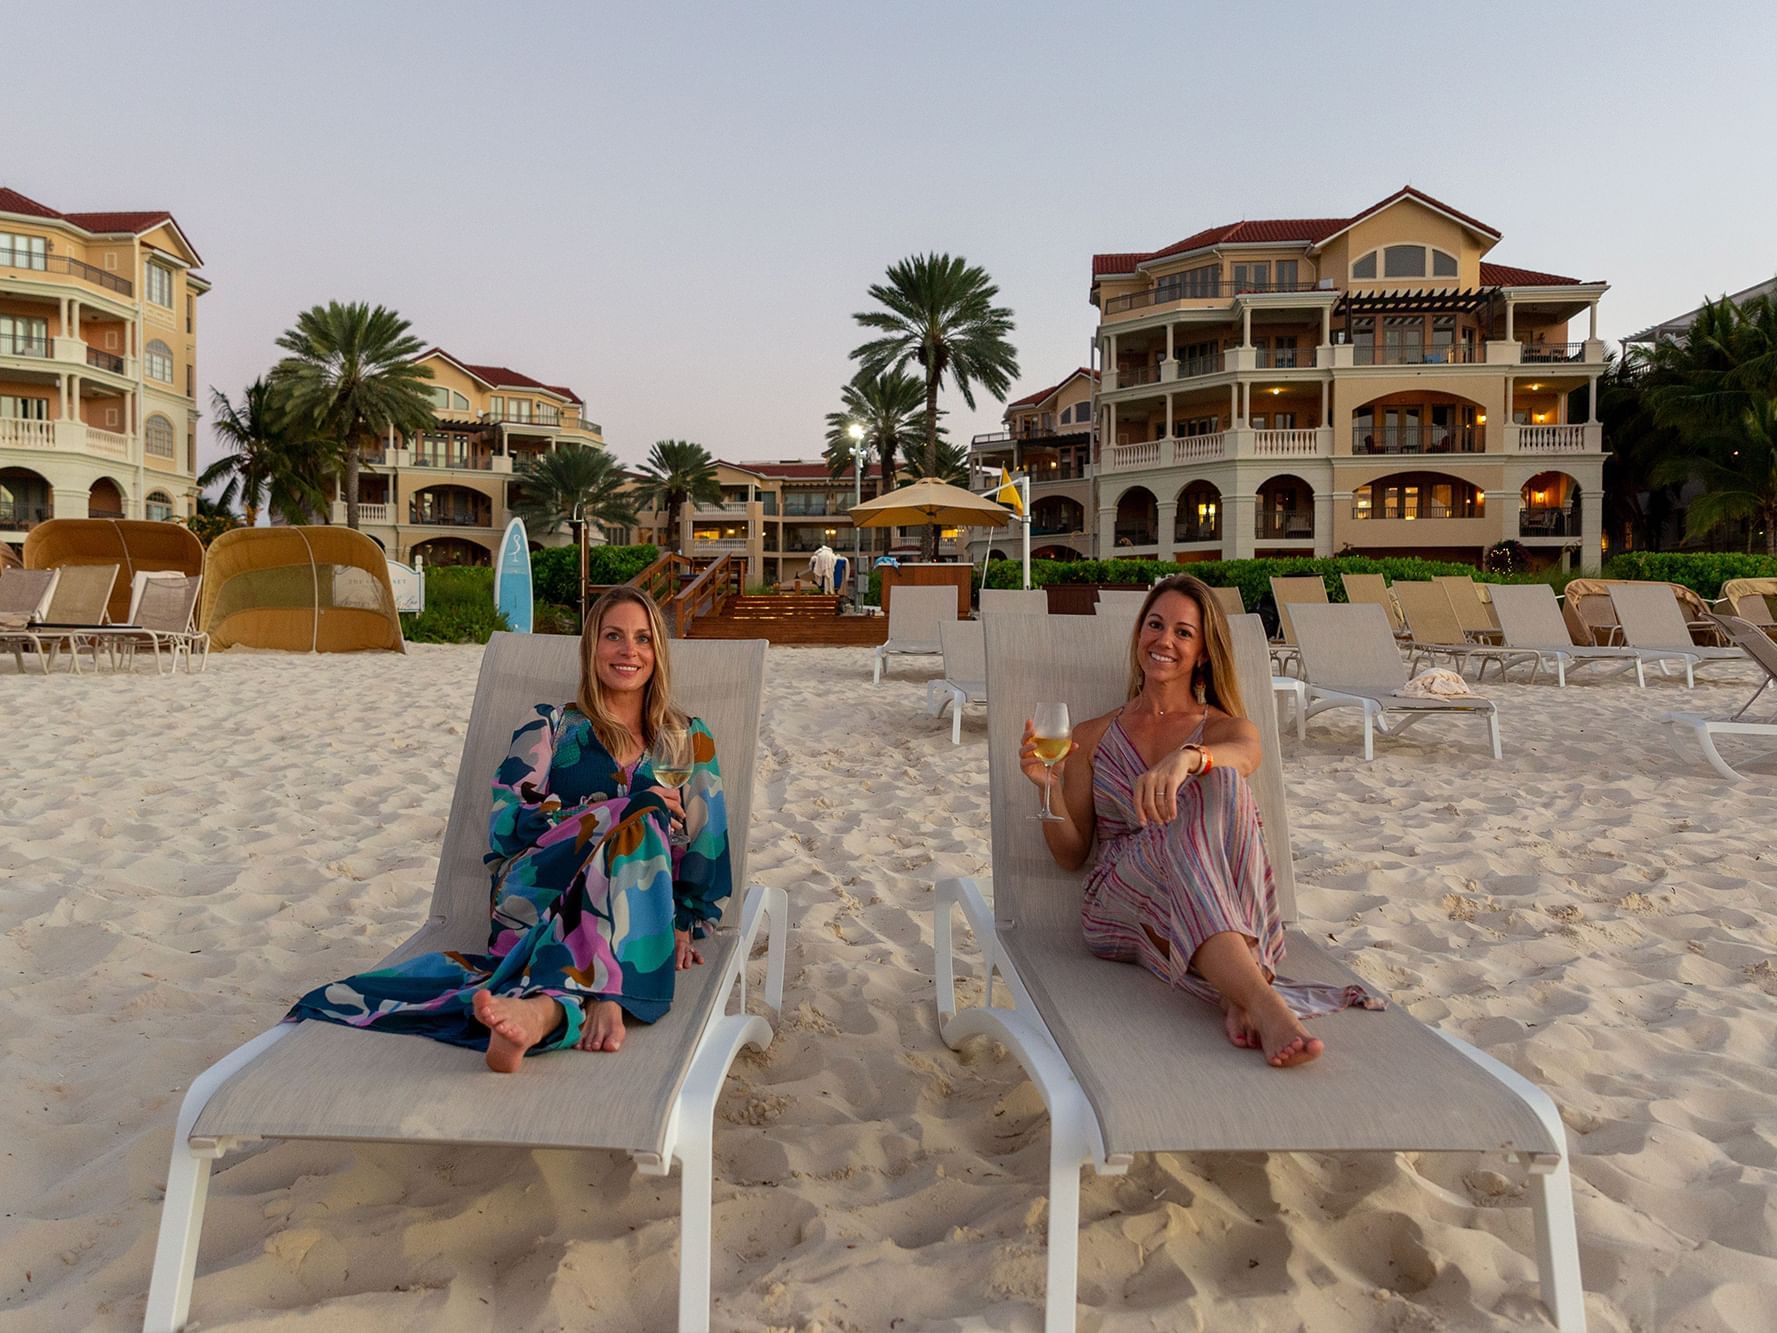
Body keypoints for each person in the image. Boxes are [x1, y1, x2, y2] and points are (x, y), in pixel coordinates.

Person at [286, 587, 730, 1073]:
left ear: (658, 653)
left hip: (638, 904)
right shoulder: (551, 725)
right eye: (614, 636)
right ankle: (610, 995)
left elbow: (708, 840)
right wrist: (622, 808)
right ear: (591, 648)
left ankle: (540, 1015)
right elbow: (507, 824)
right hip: (542, 893)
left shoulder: (687, 736)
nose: (629, 650)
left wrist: (684, 918)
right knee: (640, 817)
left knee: (642, 825)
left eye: (644, 639)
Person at [1018, 574, 1378, 1068]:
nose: (1164, 641)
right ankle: (1264, 999)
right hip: (1119, 903)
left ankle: (1241, 995)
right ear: (1139, 634)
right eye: (1155, 625)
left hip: (1192, 898)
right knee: (1177, 833)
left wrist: (1189, 758)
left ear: (1204, 652)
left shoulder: (1228, 728)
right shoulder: (1093, 734)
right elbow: (1070, 855)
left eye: (1183, 633)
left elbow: (1246, 757)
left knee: (1224, 781)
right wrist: (1050, 788)